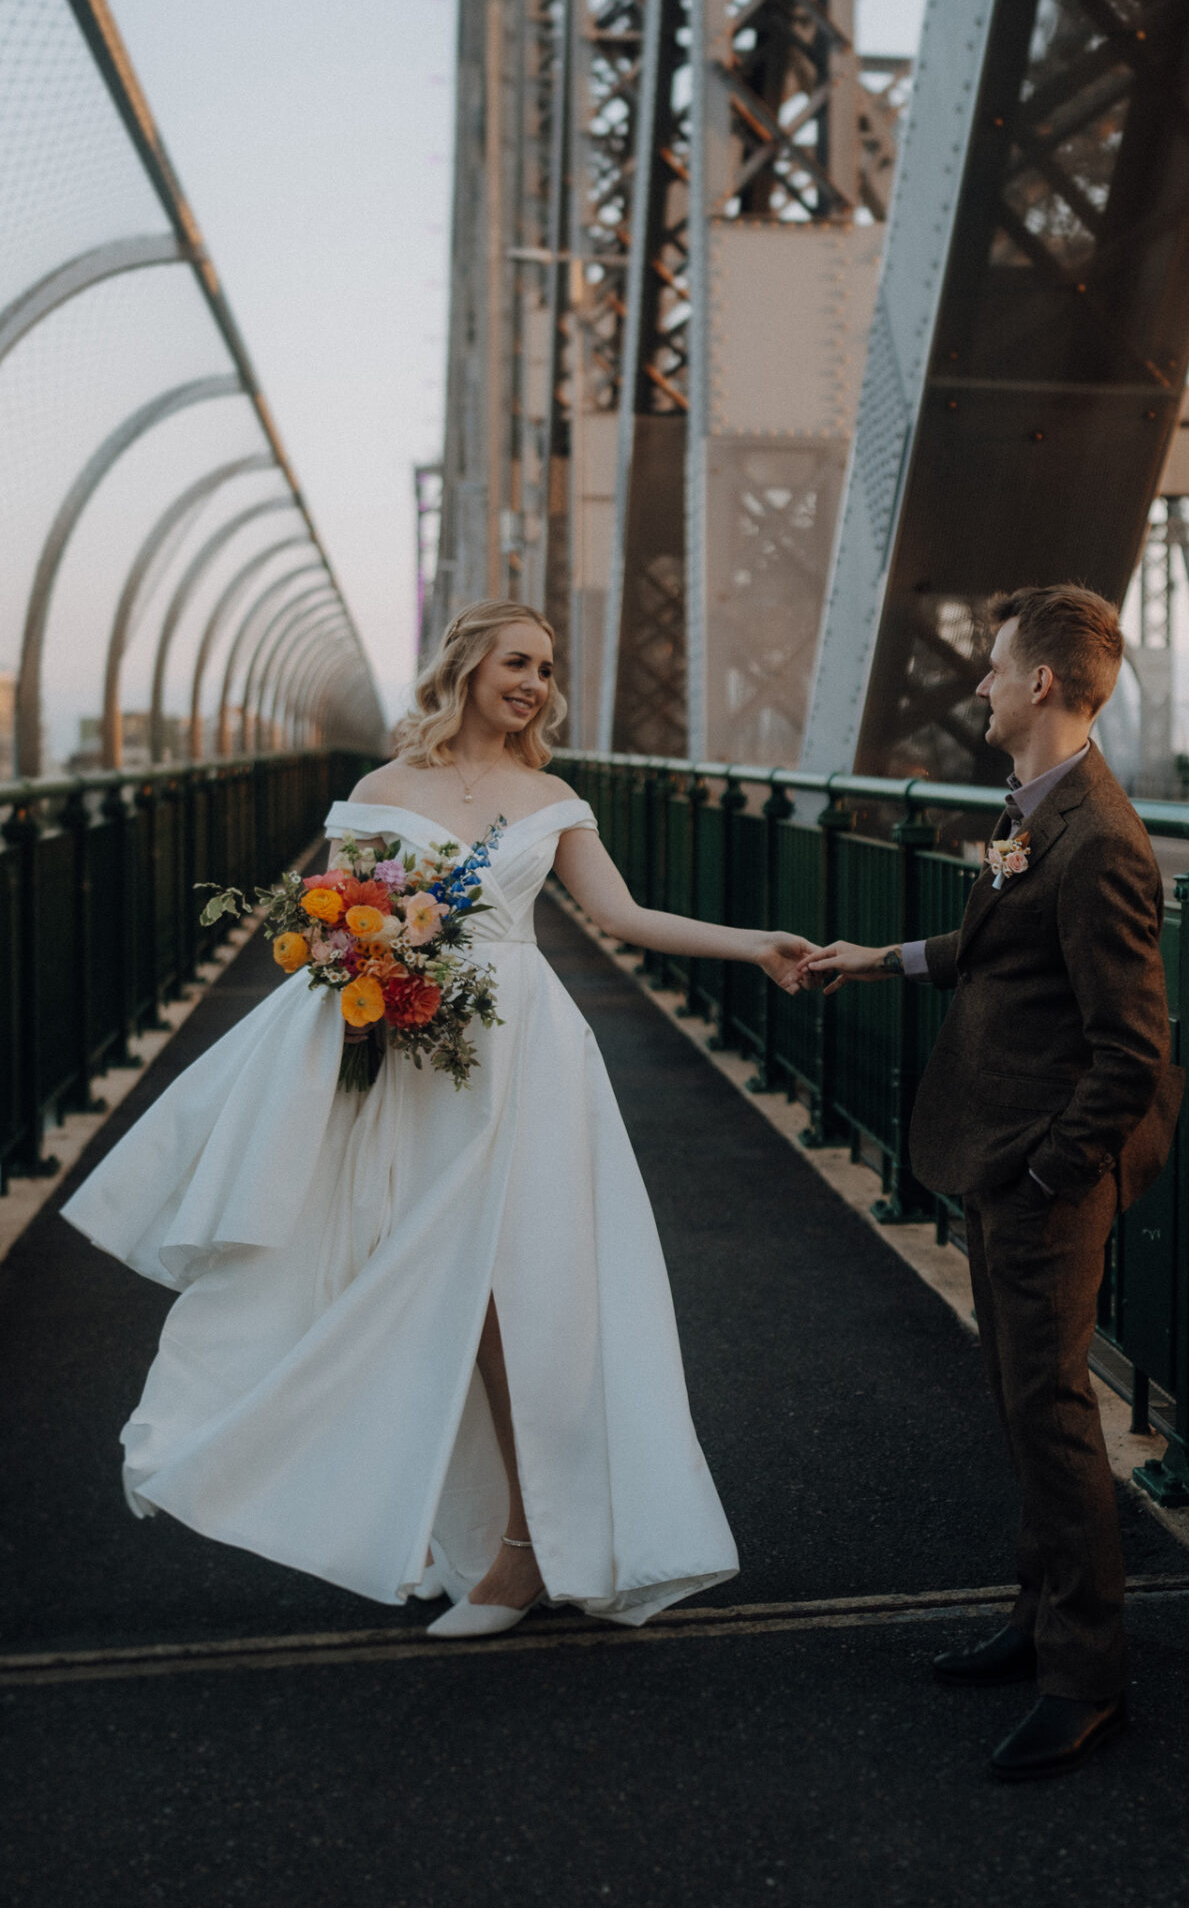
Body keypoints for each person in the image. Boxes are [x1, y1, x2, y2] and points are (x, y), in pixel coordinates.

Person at [64, 599, 817, 1638]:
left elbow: (626, 917)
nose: (535, 684)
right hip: (414, 1064)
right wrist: (362, 958)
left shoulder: (550, 796)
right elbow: (327, 922)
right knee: (406, 1280)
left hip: (529, 1063)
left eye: (548, 670)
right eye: (519, 662)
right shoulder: (382, 790)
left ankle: (523, 1552)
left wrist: (755, 945)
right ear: (465, 665)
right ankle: (423, 1520)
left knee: (517, 1298)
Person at [804, 584, 1181, 1778]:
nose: (973, 684)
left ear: (1040, 687)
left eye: (991, 666)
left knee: (1054, 1412)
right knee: (1021, 1398)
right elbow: (991, 948)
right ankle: (1039, 1617)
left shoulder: (1102, 842)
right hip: (1003, 1147)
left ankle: (1086, 1675)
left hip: (1040, 1170)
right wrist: (881, 958)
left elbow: (1134, 1053)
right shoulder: (1033, 808)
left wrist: (1050, 1175)